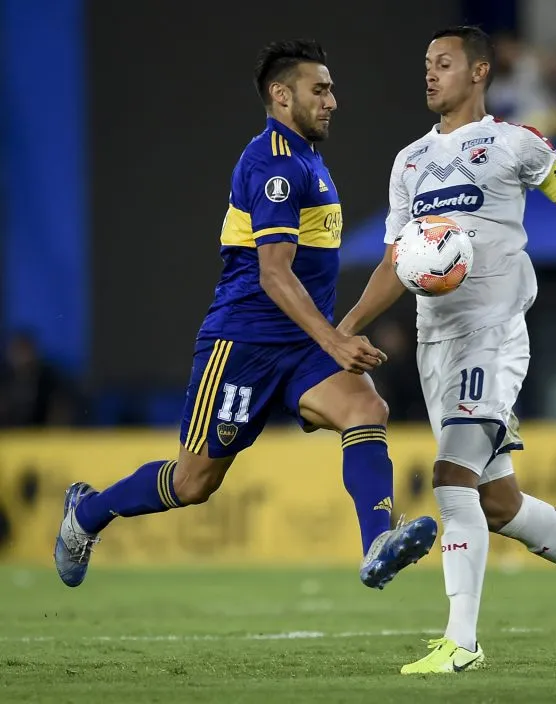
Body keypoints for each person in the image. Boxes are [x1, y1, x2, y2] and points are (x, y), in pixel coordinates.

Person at [54, 39, 436, 591]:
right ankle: (87, 514)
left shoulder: (309, 161)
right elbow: (273, 275)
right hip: (242, 345)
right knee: (192, 483)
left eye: (331, 89)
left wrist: (331, 338)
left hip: (301, 347)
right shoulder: (273, 166)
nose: (333, 101)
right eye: (320, 90)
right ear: (282, 97)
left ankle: (377, 542)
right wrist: (335, 339)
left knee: (365, 407)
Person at [337, 26, 556, 674]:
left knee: (451, 479)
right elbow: (395, 262)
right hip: (438, 342)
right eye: (426, 64)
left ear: (480, 71)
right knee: (499, 504)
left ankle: (462, 643)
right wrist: (342, 329)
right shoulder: (408, 162)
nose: (430, 74)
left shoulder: (515, 143)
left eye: (445, 63)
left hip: (495, 334)